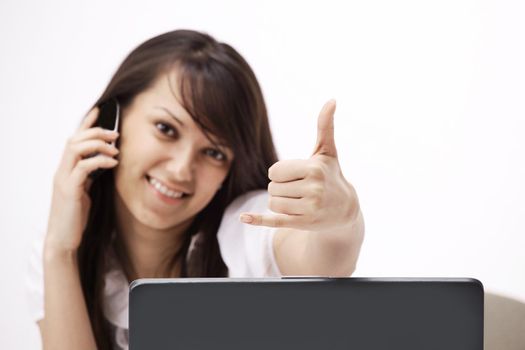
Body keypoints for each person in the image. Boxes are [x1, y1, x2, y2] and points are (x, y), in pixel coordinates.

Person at [25, 29, 365, 350]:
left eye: (214, 152)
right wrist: (59, 251)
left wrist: (341, 219)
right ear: (111, 120)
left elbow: (318, 257)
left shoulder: (242, 228)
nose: (181, 169)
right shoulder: (63, 251)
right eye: (166, 129)